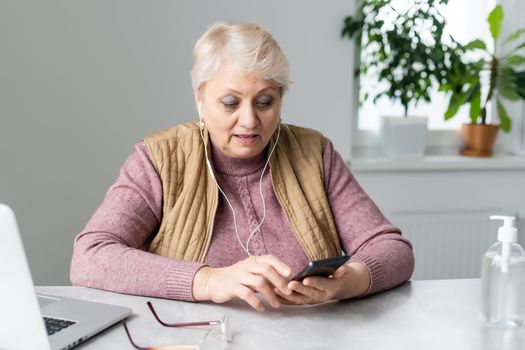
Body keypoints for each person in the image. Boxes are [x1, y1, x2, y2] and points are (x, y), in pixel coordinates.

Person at [70, 22, 414, 312]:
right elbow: (90, 257)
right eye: (230, 102)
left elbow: (393, 249)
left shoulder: (315, 154)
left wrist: (352, 281)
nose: (249, 121)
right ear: (200, 98)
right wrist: (209, 280)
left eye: (265, 101)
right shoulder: (160, 159)